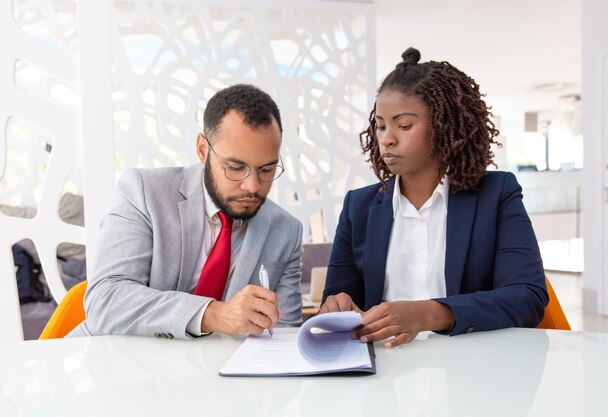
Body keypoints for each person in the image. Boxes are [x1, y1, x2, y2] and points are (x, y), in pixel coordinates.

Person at [319, 47, 548, 348]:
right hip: (383, 371)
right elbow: (337, 299)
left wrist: (429, 313)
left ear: (442, 127)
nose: (387, 138)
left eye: (404, 125)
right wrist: (337, 306)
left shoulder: (497, 194)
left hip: (472, 369)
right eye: (381, 126)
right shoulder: (358, 208)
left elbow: (527, 296)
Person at [68, 84, 303, 339]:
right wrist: (212, 314)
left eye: (266, 170)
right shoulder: (143, 192)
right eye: (235, 167)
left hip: (213, 375)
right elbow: (106, 300)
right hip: (109, 366)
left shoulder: (286, 231)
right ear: (203, 150)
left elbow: (284, 337)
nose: (252, 186)